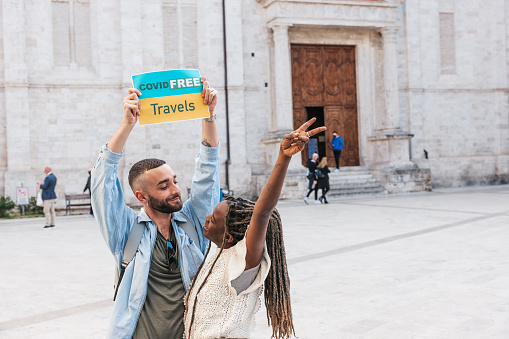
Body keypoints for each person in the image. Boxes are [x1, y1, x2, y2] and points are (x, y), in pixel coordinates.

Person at [91, 77, 220, 339]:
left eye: (175, 181)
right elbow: (103, 184)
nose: (175, 190)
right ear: (142, 196)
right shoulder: (127, 233)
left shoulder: (192, 223)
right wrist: (127, 124)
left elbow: (207, 172)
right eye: (163, 186)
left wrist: (208, 116)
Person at [184, 118, 326, 339]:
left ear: (229, 236)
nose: (206, 217)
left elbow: (262, 212)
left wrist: (283, 158)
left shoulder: (243, 264)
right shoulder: (219, 251)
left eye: (212, 219)